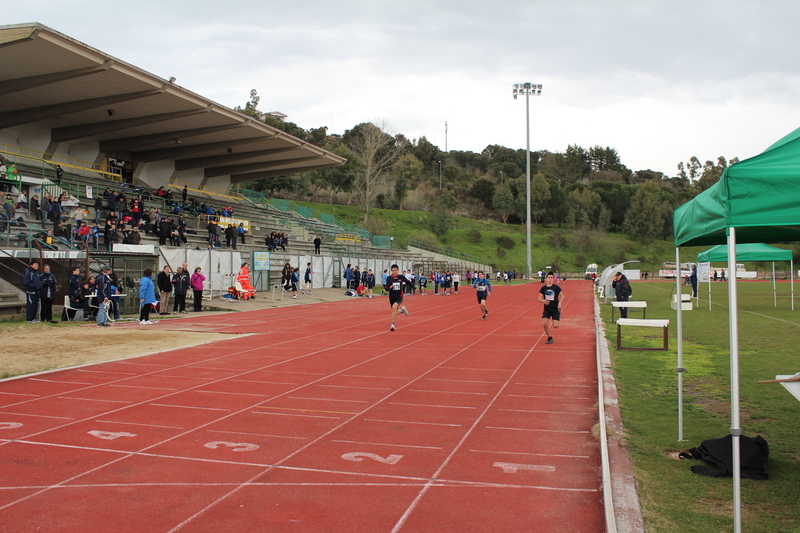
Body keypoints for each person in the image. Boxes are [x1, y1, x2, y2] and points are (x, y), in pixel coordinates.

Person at [383, 264, 411, 331]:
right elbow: (386, 288)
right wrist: (389, 288)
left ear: (398, 270)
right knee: (394, 311)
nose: (394, 272)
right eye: (393, 270)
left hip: (399, 296)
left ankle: (392, 325)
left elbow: (408, 282)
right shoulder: (389, 278)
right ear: (391, 271)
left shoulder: (401, 277)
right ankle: (402, 310)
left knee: (394, 307)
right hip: (392, 296)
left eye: (396, 270)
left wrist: (415, 288)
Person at [538, 271, 563, 344]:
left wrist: (560, 303)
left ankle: (558, 314)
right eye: (548, 277)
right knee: (544, 324)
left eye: (551, 278)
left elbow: (562, 296)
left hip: (555, 308)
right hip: (547, 308)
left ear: (553, 279)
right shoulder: (543, 288)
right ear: (546, 279)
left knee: (556, 326)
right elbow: (539, 298)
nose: (550, 279)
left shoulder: (556, 287)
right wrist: (543, 301)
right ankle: (550, 337)